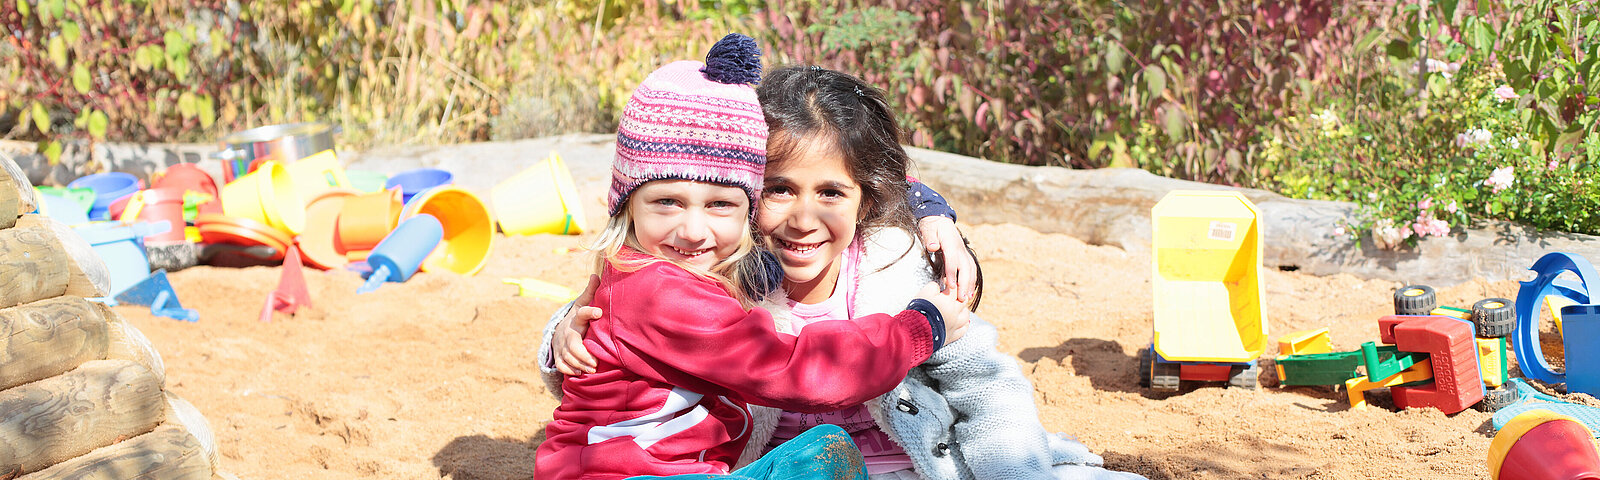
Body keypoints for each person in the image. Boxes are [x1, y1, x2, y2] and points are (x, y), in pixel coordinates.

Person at [544, 65, 1145, 480]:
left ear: (867, 201)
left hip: (913, 464)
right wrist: (566, 327)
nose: (803, 219)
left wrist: (1014, 473)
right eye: (777, 190)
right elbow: (632, 323)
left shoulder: (895, 269)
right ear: (747, 190)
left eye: (832, 193)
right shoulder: (717, 266)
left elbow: (986, 387)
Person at [533, 35, 972, 480]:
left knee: (820, 454)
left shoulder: (700, 266)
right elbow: (797, 369)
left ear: (746, 204)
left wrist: (933, 211)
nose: (692, 230)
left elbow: (860, 166)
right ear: (626, 203)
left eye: (720, 204)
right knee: (821, 460)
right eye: (666, 201)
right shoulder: (663, 288)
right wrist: (920, 328)